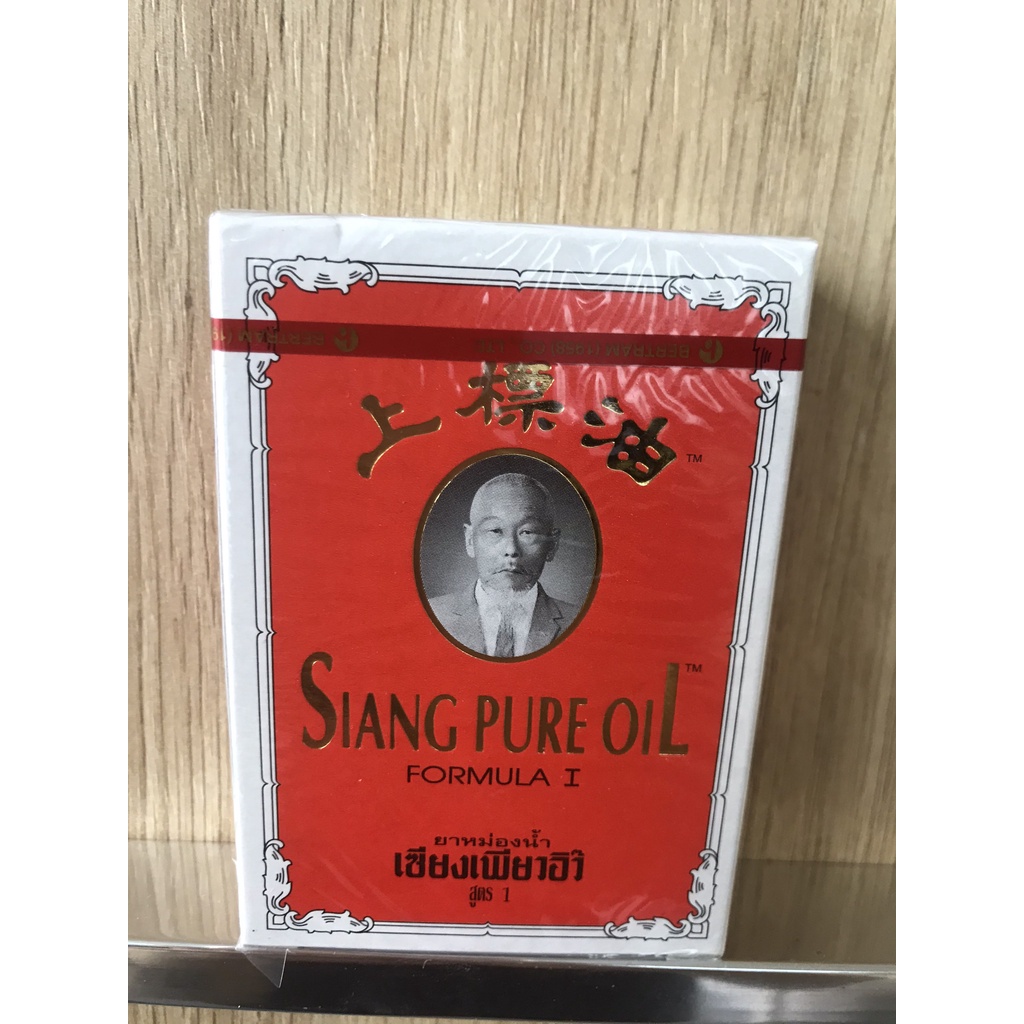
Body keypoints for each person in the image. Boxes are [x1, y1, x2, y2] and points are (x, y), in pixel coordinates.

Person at [428, 473, 580, 658]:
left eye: (527, 532)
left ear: (552, 545)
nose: (511, 550)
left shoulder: (580, 621)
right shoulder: (431, 615)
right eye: (495, 531)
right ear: (470, 540)